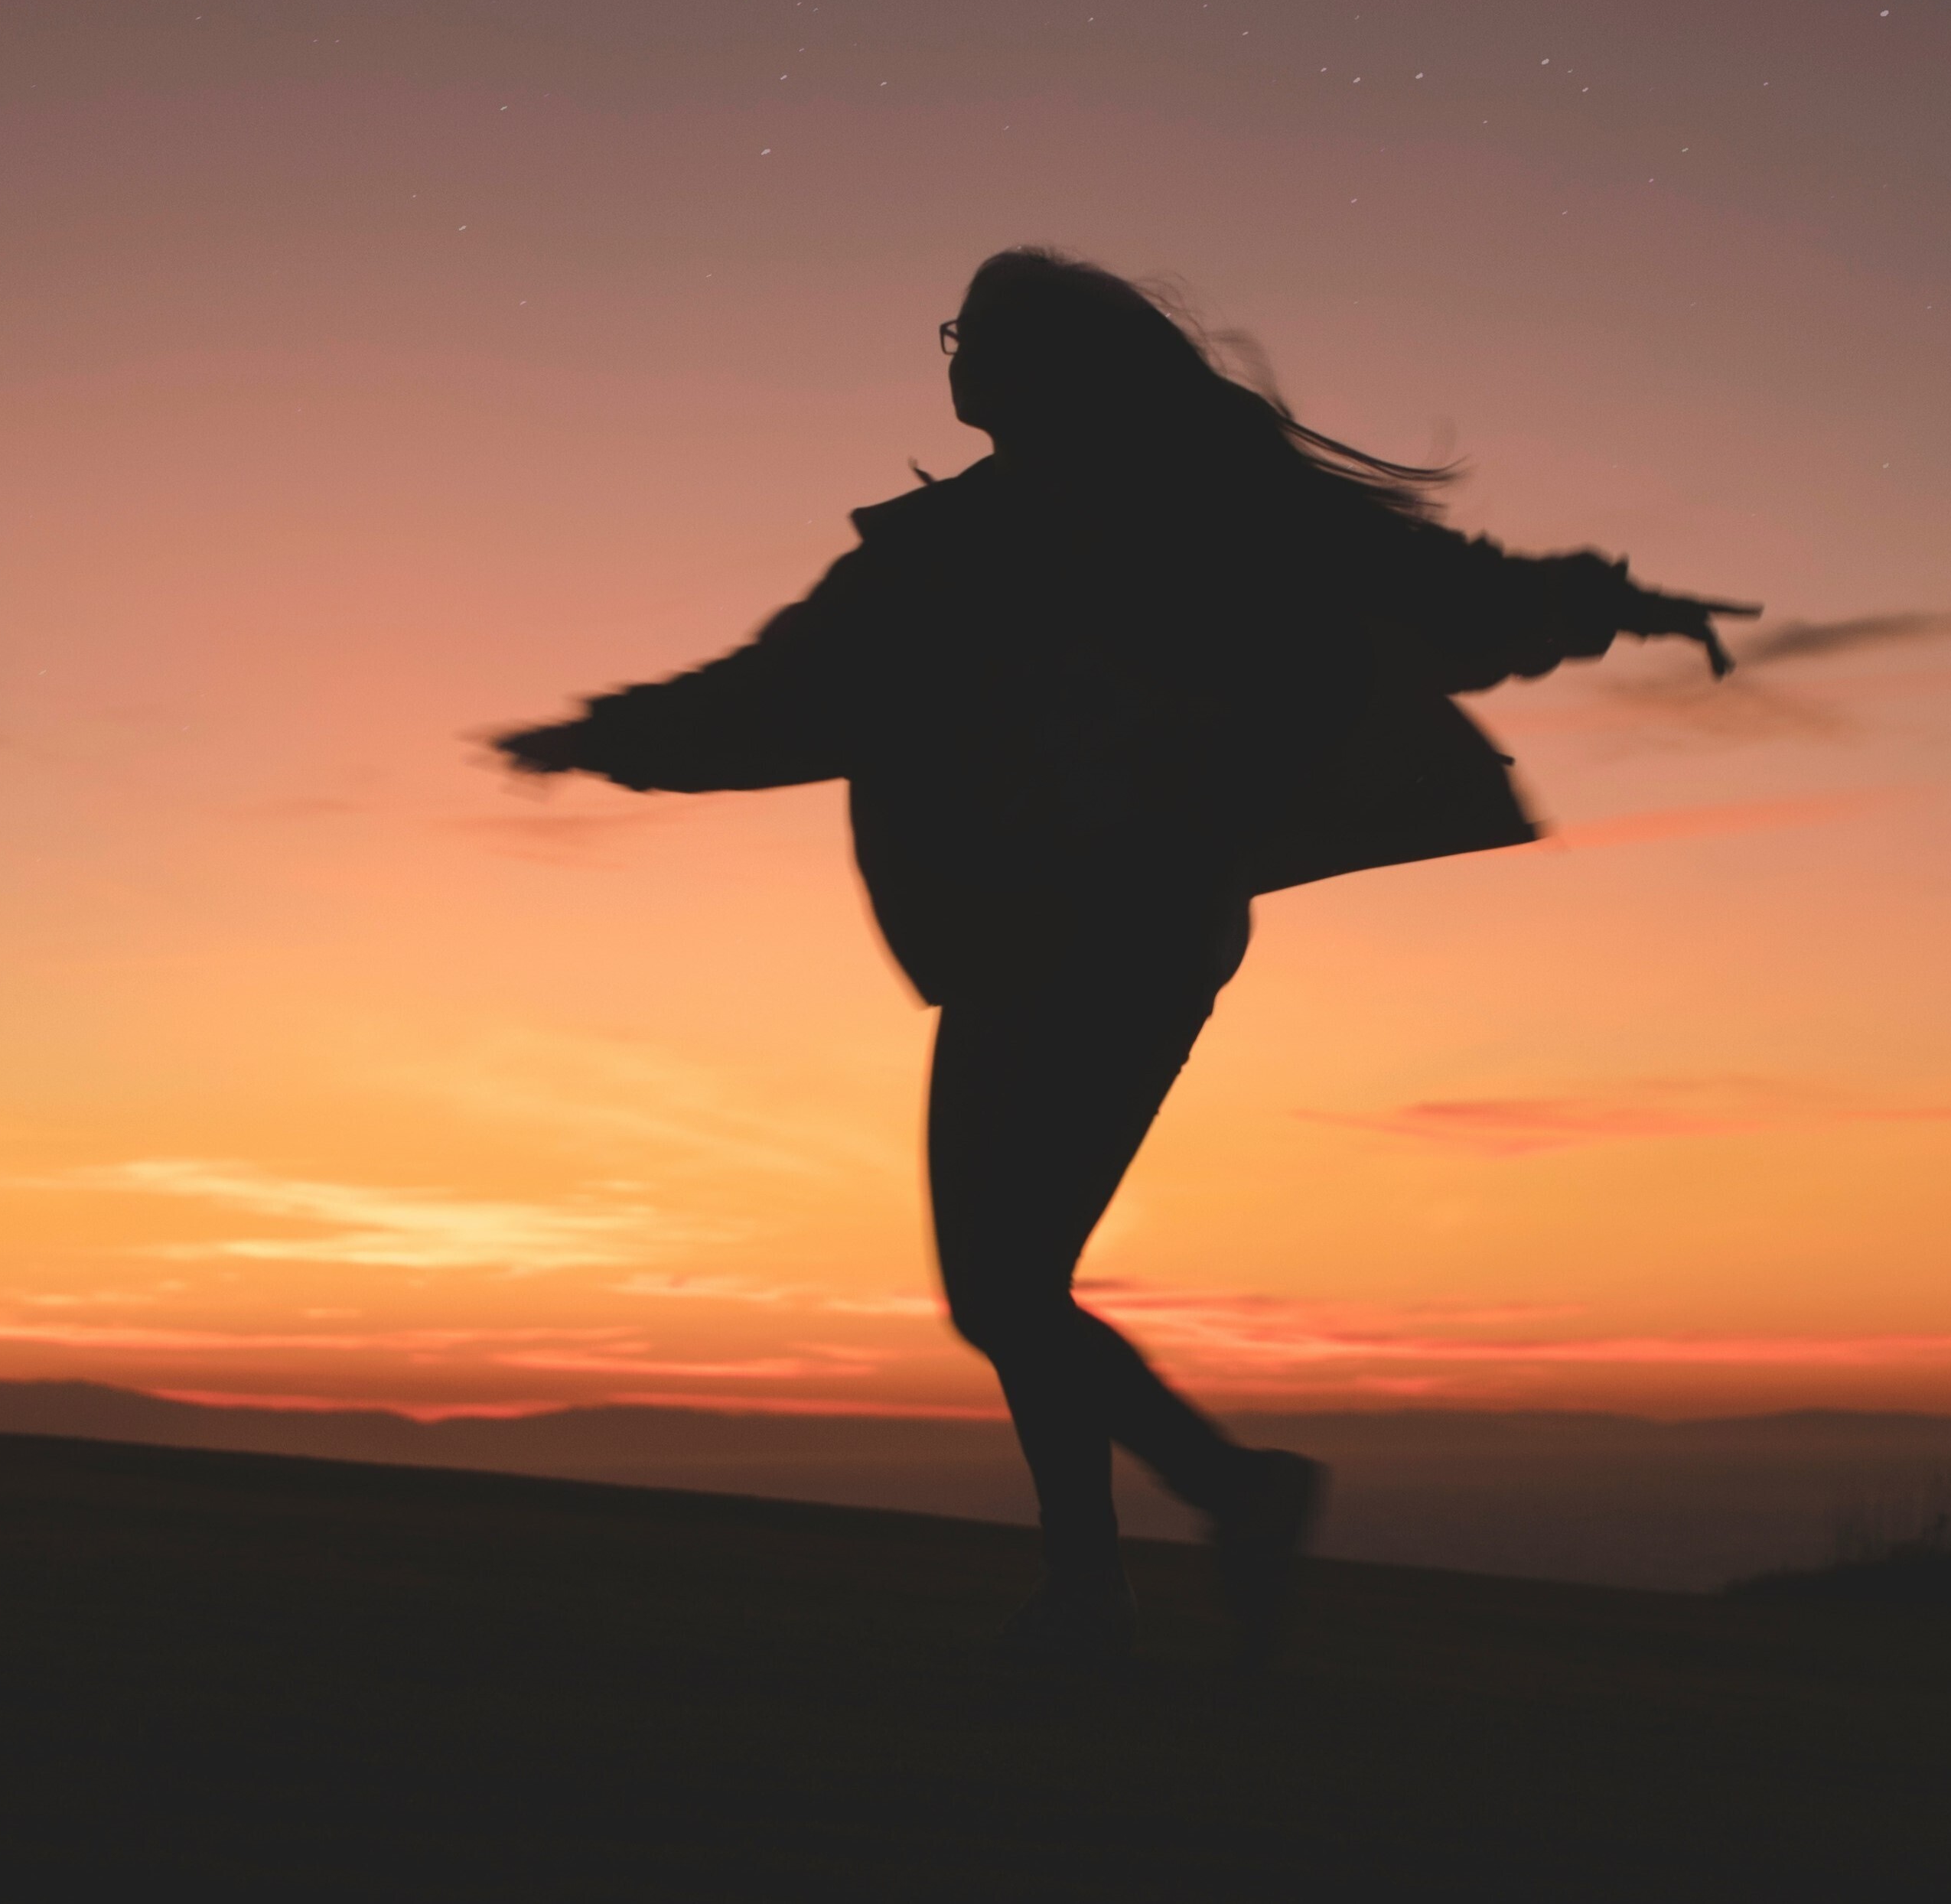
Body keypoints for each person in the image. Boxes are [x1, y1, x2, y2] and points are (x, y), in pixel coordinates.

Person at [491, 249, 1756, 1669]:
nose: (958, 356)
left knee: (1002, 1286)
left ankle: (1176, 1533)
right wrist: (610, 735)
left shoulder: (1156, 522)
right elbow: (785, 691)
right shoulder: (962, 547)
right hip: (1059, 931)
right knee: (1012, 1284)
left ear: (1052, 367)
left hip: (1111, 929)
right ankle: (1124, 1566)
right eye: (955, 332)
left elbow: (1430, 589)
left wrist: (1610, 603)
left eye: (981, 334)